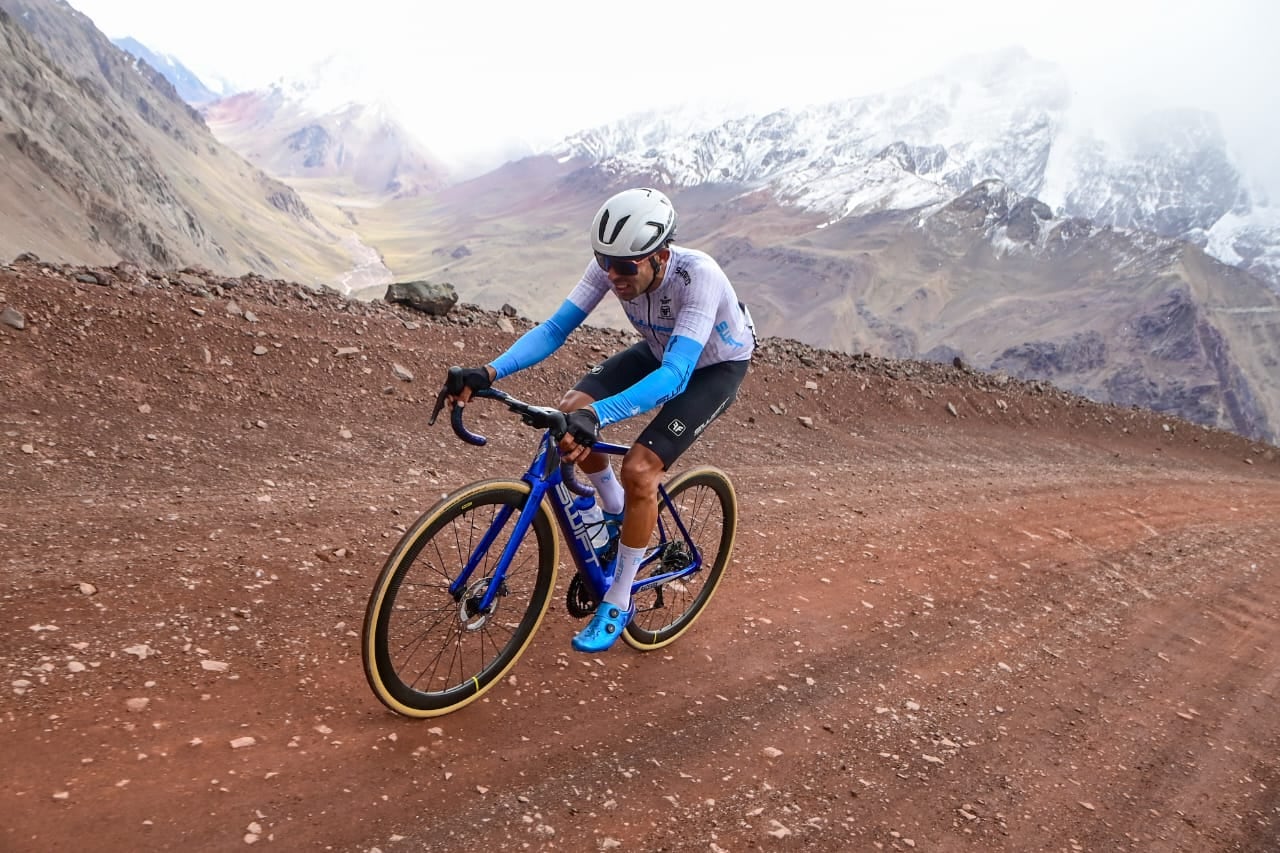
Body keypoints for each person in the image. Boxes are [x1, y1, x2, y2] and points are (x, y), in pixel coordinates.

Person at [443, 187, 755, 653]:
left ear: (662, 256)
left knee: (640, 468)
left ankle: (620, 596)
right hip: (660, 351)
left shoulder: (698, 277)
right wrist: (488, 371)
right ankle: (612, 509)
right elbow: (553, 330)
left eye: (626, 267)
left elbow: (676, 375)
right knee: (569, 411)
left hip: (711, 367)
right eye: (603, 261)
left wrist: (600, 413)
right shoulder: (613, 266)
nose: (613, 275)